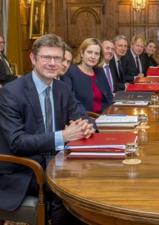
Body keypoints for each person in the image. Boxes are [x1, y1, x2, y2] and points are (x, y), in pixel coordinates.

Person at [0, 34, 94, 224]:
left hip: (59, 160)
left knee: (94, 179)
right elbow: (17, 142)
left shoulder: (62, 88)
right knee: (70, 190)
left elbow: (81, 114)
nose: (52, 63)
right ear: (33, 59)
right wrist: (63, 135)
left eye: (57, 58)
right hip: (25, 168)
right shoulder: (12, 92)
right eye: (46, 57)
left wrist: (85, 125)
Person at [62, 38, 113, 114]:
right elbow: (71, 103)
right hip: (84, 119)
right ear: (82, 53)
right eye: (89, 52)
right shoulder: (70, 72)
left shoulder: (99, 71)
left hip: (105, 116)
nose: (93, 56)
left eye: (96, 53)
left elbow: (109, 96)